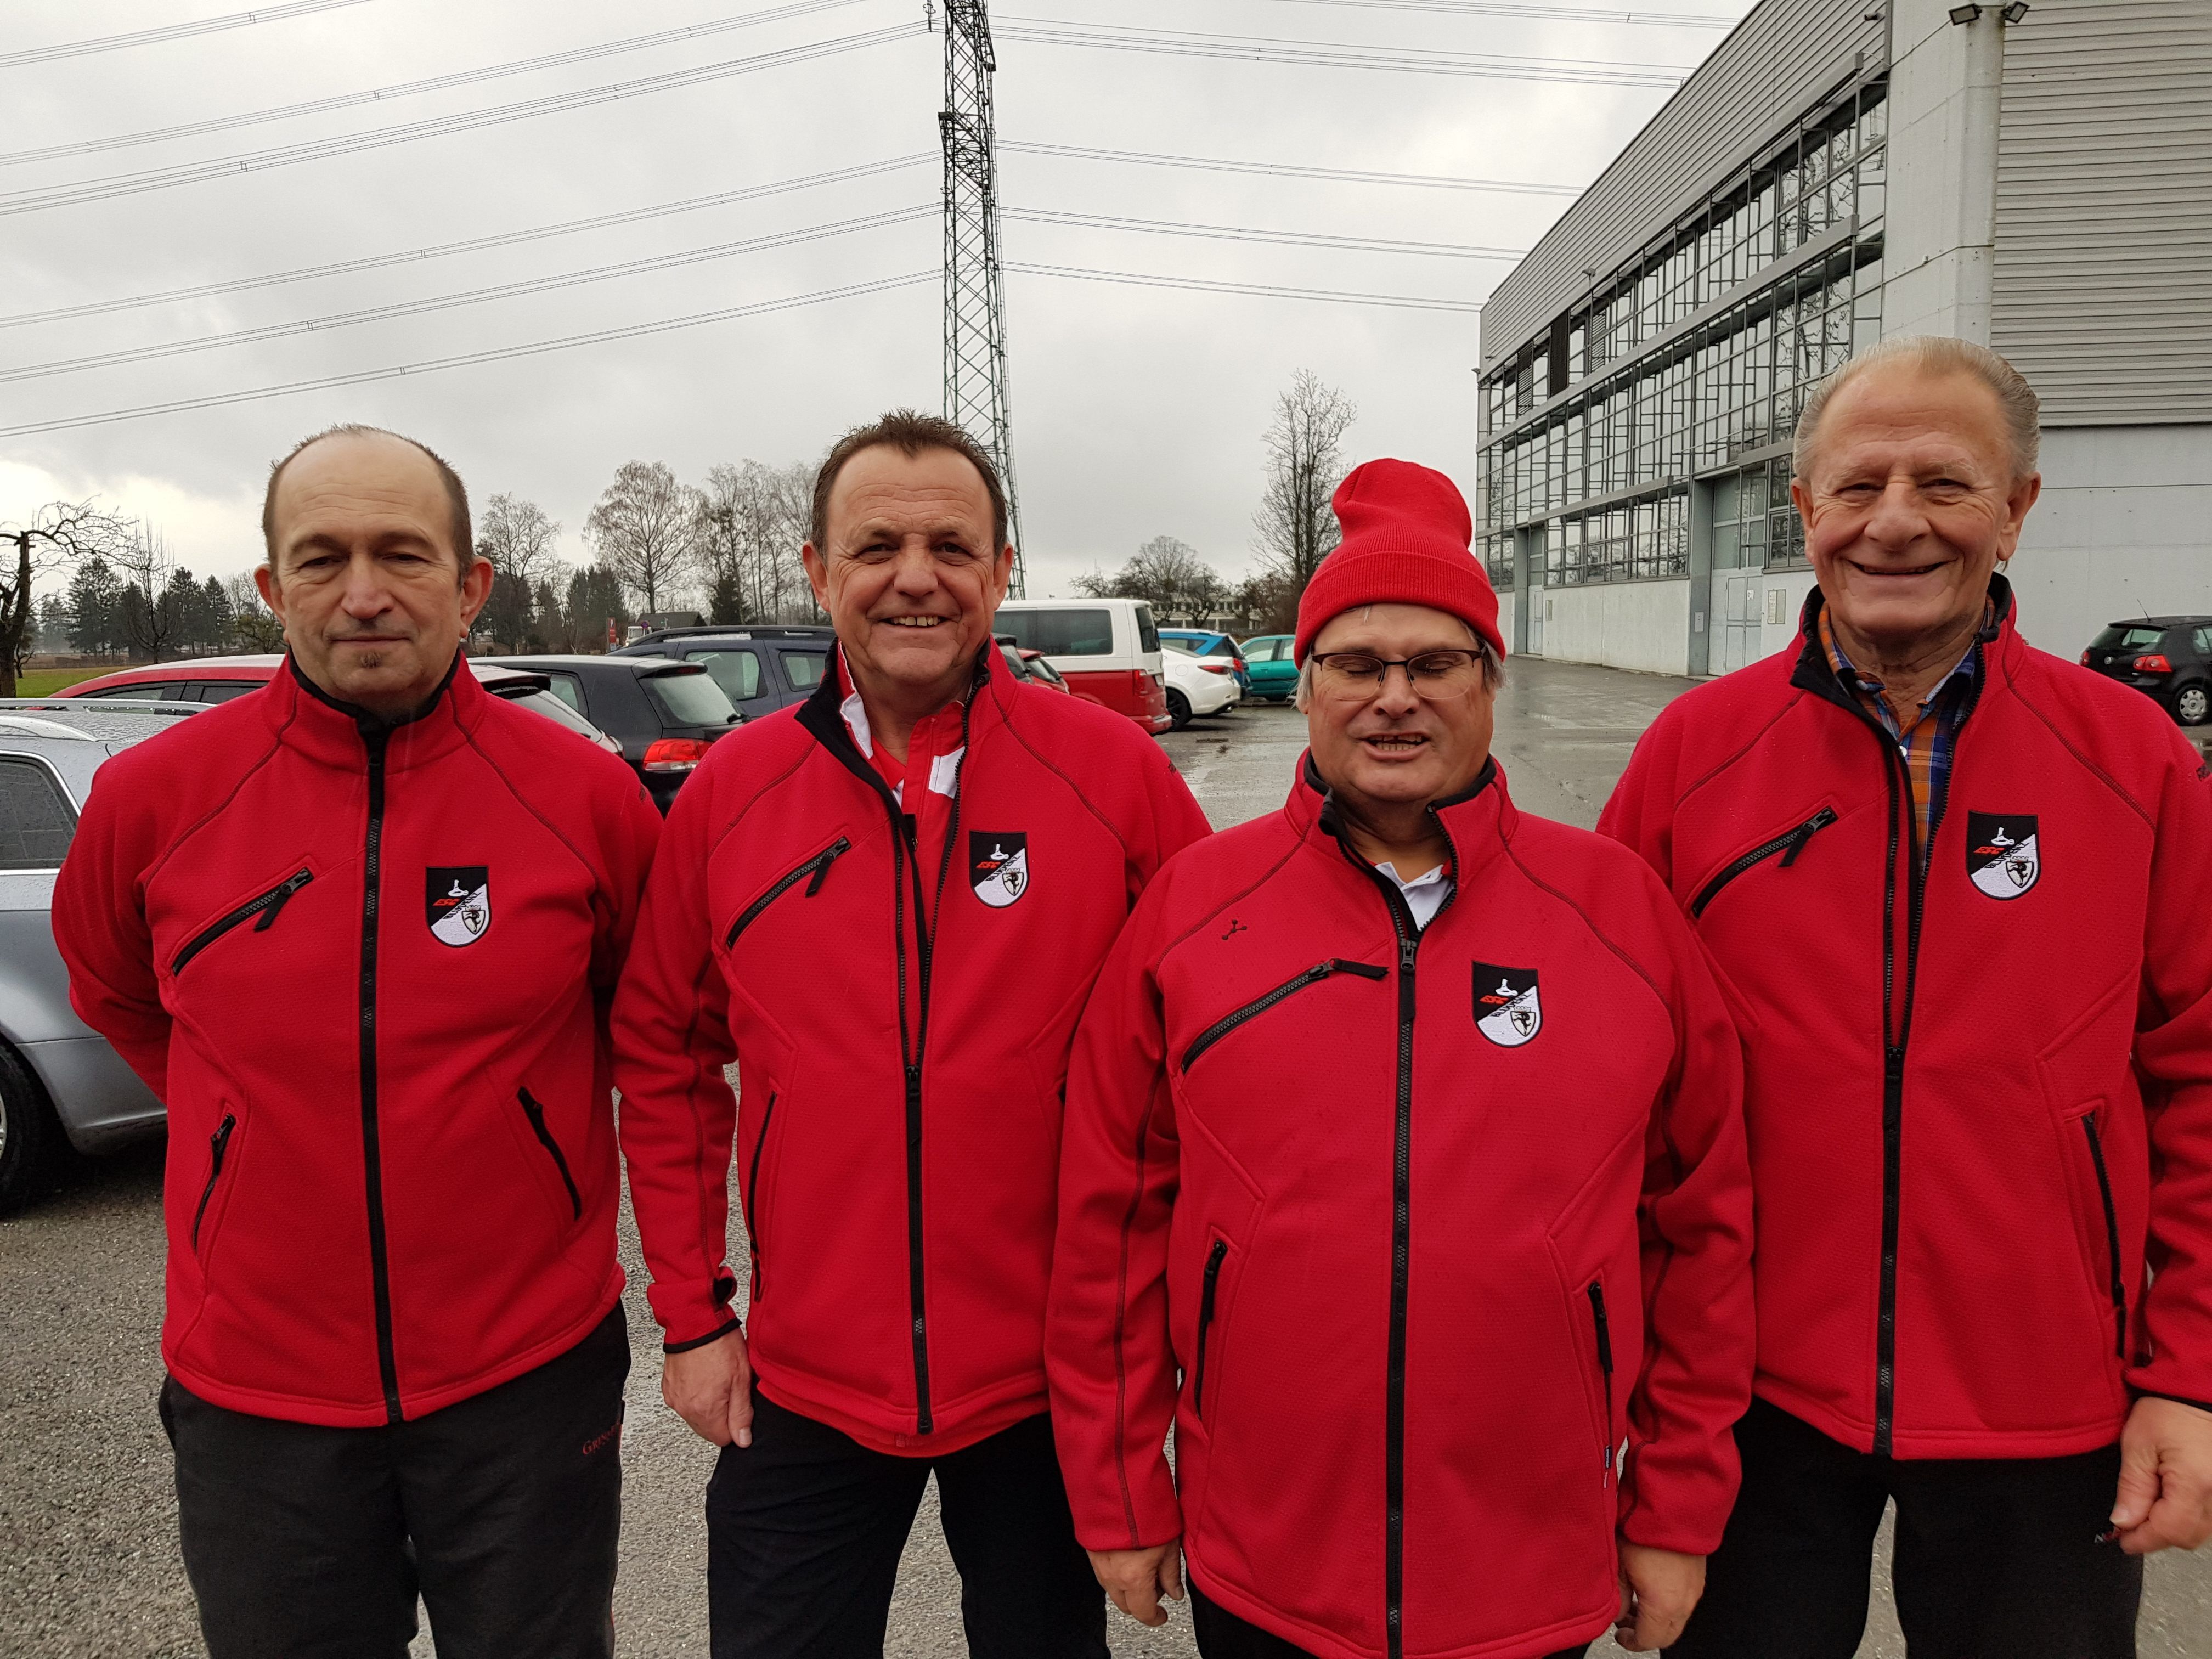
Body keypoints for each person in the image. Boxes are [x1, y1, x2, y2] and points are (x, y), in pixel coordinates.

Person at [1047, 459, 1754, 1659]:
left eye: (1434, 665)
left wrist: (1676, 1513)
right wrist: (1120, 1494)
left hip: (1528, 1567)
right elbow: (1110, 1222)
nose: (1395, 699)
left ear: (1490, 680)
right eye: (1358, 665)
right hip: (1265, 1558)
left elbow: (1706, 1230)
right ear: (1307, 683)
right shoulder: (1193, 912)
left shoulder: (1619, 916)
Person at [1600, 335, 2212, 1657]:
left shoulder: (2135, 761)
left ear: (2017, 509)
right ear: (1805, 510)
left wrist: (2188, 1376)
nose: (1895, 523)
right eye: (1858, 484)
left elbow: (2203, 1077)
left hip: (2047, 1398)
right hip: (1748, 1393)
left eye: (1943, 484)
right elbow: (1600, 1087)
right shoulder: (1691, 760)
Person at [52, 425, 661, 1658]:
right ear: (272, 587)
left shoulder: (584, 797)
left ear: (472, 584)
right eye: (322, 559)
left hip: (525, 1382)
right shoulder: (152, 800)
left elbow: (639, 1027)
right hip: (256, 1397)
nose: (365, 592)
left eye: (403, 554)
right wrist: (248, 1135)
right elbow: (116, 991)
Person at [613, 410, 1212, 1658]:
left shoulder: (1114, 778)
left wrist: (1171, 1352)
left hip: (1052, 1382)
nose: (915, 575)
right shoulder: (734, 790)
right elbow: (667, 1056)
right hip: (809, 1379)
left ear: (1001, 571)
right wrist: (693, 1316)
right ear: (821, 572)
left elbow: (1215, 1054)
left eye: (953, 544)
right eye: (877, 544)